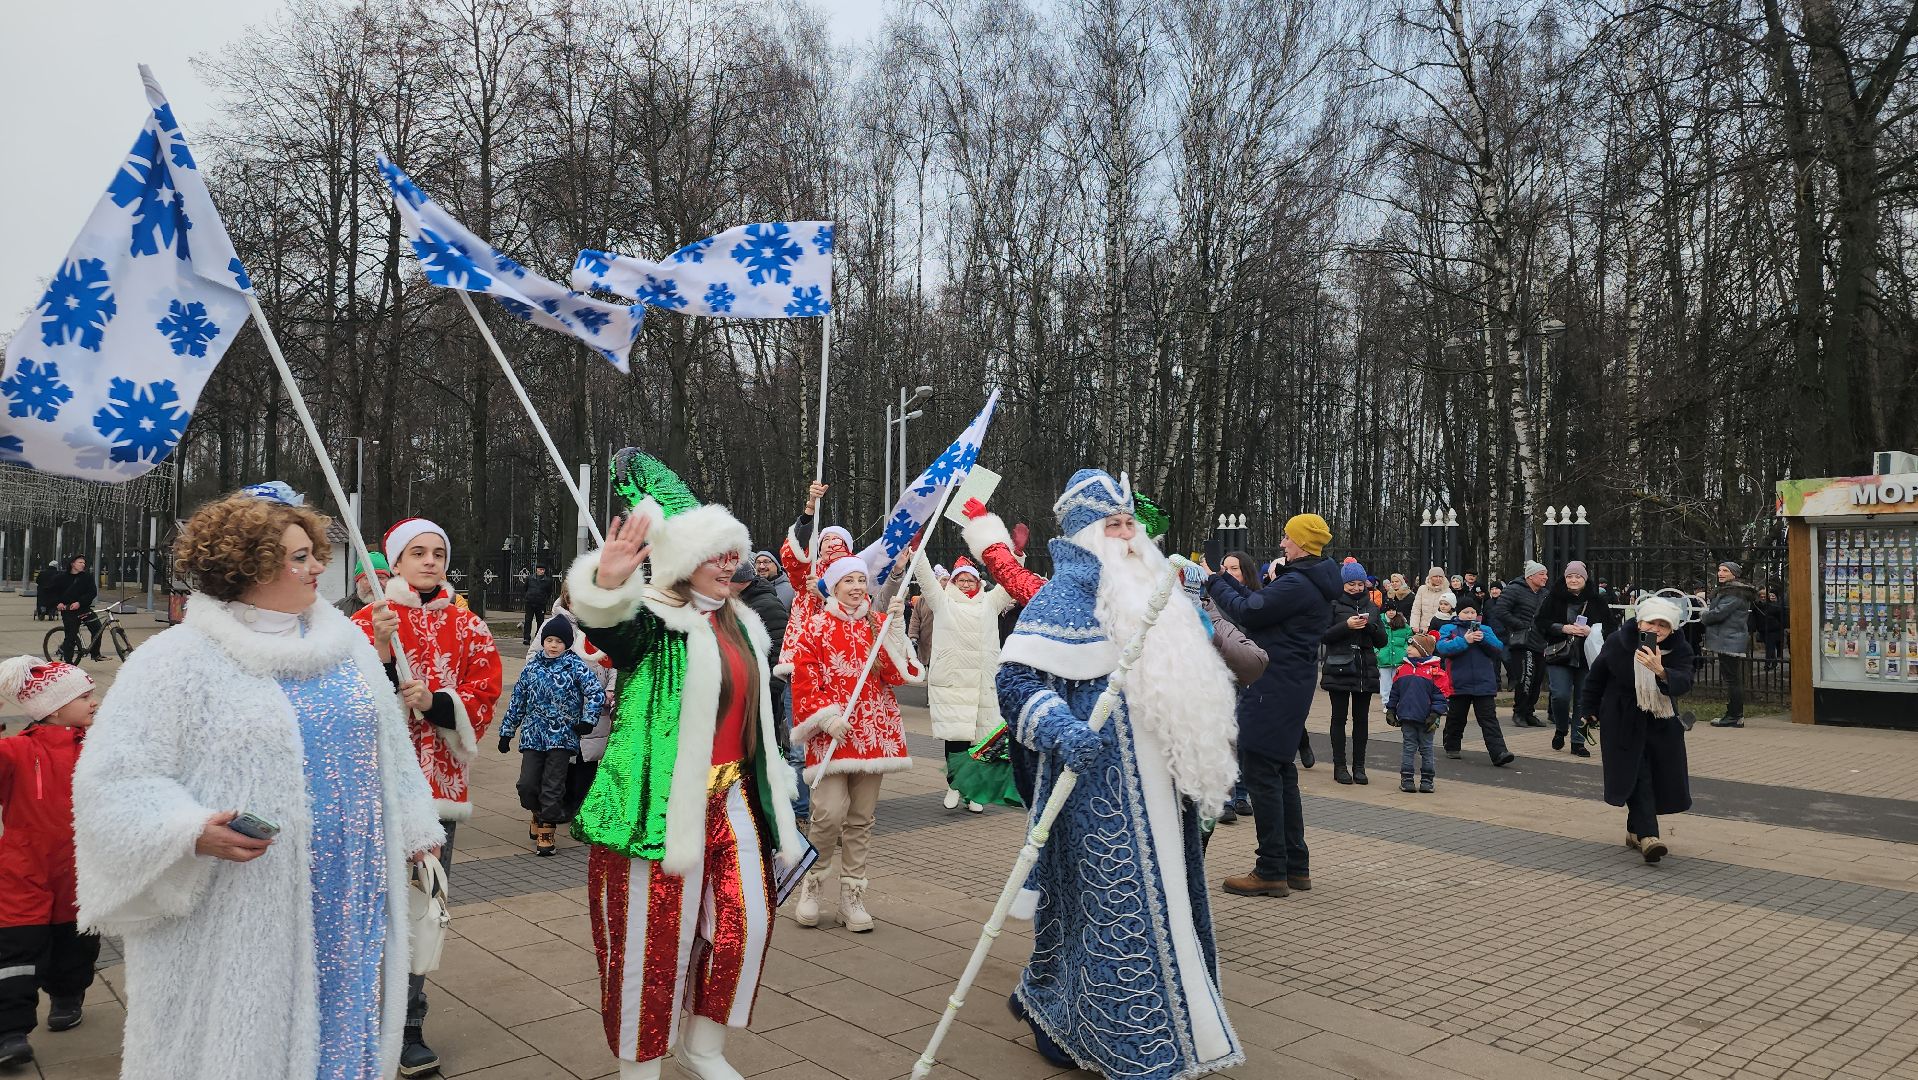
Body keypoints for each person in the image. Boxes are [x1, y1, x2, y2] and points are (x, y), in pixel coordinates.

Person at [71, 483, 444, 1080]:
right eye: (299, 557)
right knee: (248, 1042)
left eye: (314, 553)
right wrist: (188, 830)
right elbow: (114, 780)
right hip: (242, 898)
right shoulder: (176, 659)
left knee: (345, 1022)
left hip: (352, 884)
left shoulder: (346, 644)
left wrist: (417, 831)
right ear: (246, 567)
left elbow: (390, 748)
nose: (318, 567)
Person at [565, 450, 806, 1080]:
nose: (730, 564)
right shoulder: (654, 621)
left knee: (745, 926)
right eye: (715, 554)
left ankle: (703, 1048)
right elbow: (610, 629)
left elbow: (753, 718)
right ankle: (640, 1066)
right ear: (682, 561)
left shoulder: (744, 623)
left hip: (735, 801)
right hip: (658, 805)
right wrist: (607, 584)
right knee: (649, 944)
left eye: (734, 553)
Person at [996, 469, 1243, 1078]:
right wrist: (1060, 727)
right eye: (1114, 525)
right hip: (1096, 791)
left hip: (1163, 787)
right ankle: (1094, 1025)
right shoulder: (1061, 597)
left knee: (1168, 900)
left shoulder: (1159, 593)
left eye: (1131, 523)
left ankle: (1174, 1019)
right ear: (1085, 534)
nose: (1130, 535)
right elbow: (1015, 680)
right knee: (1108, 909)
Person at [349, 515, 504, 1074]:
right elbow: (346, 699)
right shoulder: (367, 622)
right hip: (372, 786)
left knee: (422, 905)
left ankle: (409, 1023)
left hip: (437, 790)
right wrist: (383, 653)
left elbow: (484, 692)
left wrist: (438, 703)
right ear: (395, 561)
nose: (430, 561)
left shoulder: (468, 625)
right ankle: (357, 1017)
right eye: (418, 552)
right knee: (365, 903)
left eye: (438, 552)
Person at [1207, 513, 1339, 898]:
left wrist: (1213, 582)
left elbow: (1249, 612)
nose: (1282, 543)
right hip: (1289, 683)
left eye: (1287, 537)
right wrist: (1225, 579)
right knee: (1280, 770)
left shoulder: (1298, 583)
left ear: (1302, 542)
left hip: (1274, 684)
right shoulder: (1308, 579)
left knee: (1261, 768)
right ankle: (1295, 865)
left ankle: (1270, 869)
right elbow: (1259, 601)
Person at [0, 657, 99, 1070]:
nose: (94, 702)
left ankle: (67, 995)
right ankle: (10, 1032)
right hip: (23, 870)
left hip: (79, 870)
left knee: (76, 942)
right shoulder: (16, 751)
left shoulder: (97, 748)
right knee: (15, 950)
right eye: (84, 696)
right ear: (55, 709)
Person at [1579, 595, 1696, 863]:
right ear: (1639, 622)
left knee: (1653, 775)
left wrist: (1661, 671)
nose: (1656, 629)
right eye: (1651, 623)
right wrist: (1588, 710)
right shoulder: (1617, 642)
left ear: (1672, 629)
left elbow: (1685, 681)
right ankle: (1649, 837)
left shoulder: (1679, 649)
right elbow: (1596, 678)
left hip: (1661, 720)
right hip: (1622, 719)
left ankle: (1634, 830)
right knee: (1637, 773)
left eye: (1663, 625)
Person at [912, 555, 1014, 813]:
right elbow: (926, 580)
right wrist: (917, 553)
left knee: (980, 742)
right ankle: (954, 784)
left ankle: (974, 792)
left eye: (970, 580)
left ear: (978, 582)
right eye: (961, 580)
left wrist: (1016, 556)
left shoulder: (989, 602)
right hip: (954, 684)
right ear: (953, 582)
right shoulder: (943, 601)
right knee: (956, 740)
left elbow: (1008, 581)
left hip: (981, 683)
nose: (966, 584)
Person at [499, 617, 601, 856]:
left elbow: (595, 692)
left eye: (559, 641)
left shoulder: (575, 666)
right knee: (527, 784)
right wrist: (507, 732)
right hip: (533, 736)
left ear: (567, 644)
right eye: (549, 640)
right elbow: (518, 701)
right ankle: (537, 812)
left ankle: (547, 828)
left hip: (562, 737)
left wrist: (588, 720)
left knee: (553, 785)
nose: (553, 645)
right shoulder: (532, 668)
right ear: (543, 641)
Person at [1535, 560, 1613, 758]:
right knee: (1560, 695)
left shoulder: (1597, 600)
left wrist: (1591, 631)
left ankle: (1578, 742)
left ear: (1585, 579)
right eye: (1570, 576)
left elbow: (1611, 627)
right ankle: (1561, 728)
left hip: (1587, 656)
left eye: (1578, 576)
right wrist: (1562, 628)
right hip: (1559, 654)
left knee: (1582, 700)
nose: (1574, 580)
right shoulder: (1554, 598)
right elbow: (1540, 622)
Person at [1322, 560, 1386, 786]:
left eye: (1360, 584)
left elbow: (1382, 640)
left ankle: (1360, 766)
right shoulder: (1332, 604)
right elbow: (1323, 635)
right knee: (1339, 718)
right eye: (1351, 584)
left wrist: (1369, 626)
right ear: (1343, 584)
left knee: (1362, 720)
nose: (1356, 588)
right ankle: (1340, 766)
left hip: (1365, 668)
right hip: (1339, 665)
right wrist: (1346, 626)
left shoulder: (1373, 607)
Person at [1437, 603, 1515, 766]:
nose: (1470, 615)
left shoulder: (1485, 629)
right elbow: (1443, 648)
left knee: (1488, 719)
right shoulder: (1449, 628)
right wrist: (1464, 640)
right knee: (1456, 717)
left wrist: (1483, 639)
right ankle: (1452, 745)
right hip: (1459, 682)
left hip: (1483, 682)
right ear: (1458, 613)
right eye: (1466, 612)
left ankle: (1499, 752)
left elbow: (1498, 648)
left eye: (1473, 612)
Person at [1386, 633, 1449, 792]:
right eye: (1409, 646)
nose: (1408, 649)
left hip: (1427, 718)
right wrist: (1391, 710)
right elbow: (1395, 693)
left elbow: (1441, 696)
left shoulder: (1435, 672)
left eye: (1413, 646)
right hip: (1407, 717)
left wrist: (1435, 714)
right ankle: (1407, 779)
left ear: (1423, 650)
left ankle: (1427, 780)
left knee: (1426, 749)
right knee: (1408, 747)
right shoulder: (1403, 670)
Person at [1491, 560, 1549, 727]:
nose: (1546, 577)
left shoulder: (1545, 593)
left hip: (1540, 642)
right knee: (1525, 677)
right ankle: (1519, 712)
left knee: (1537, 679)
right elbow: (1500, 611)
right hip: (1522, 642)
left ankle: (1529, 712)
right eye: (1542, 574)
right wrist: (1520, 625)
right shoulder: (1514, 589)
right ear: (1530, 576)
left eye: (1546, 574)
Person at [1703, 561, 1756, 728]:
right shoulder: (1731, 591)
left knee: (1732, 679)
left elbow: (1719, 614)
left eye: (1725, 570)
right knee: (1732, 678)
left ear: (1734, 574)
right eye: (1719, 570)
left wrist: (1704, 615)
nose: (1720, 573)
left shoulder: (1734, 593)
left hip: (1729, 640)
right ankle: (1734, 715)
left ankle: (1734, 715)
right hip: (1728, 639)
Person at [52, 556, 101, 664]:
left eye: (84, 562)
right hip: (68, 610)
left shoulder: (87, 577)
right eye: (80, 562)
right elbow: (53, 592)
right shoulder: (61, 577)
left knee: (97, 627)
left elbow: (92, 592)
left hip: (84, 608)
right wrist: (58, 603)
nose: (83, 564)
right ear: (72, 564)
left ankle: (95, 653)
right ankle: (68, 663)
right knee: (71, 636)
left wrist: (80, 602)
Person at [1408, 566, 1455, 638]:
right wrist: (1414, 626)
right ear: (1430, 577)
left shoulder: (1447, 590)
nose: (1438, 579)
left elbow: (1451, 611)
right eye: (1435, 576)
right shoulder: (1422, 589)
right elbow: (1416, 609)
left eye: (1440, 576)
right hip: (1422, 629)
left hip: (1440, 629)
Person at [1377, 609, 1412, 698]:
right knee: (1384, 682)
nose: (1391, 612)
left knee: (1397, 682)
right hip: (1383, 658)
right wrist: (1377, 652)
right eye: (1388, 610)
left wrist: (1405, 650)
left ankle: (1395, 701)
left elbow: (1409, 639)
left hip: (1399, 658)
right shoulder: (1378, 622)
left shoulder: (1404, 624)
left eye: (1393, 610)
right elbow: (1373, 638)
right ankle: (1386, 702)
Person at [521, 564, 556, 645]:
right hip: (530, 602)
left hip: (540, 603)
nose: (542, 571)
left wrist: (544, 599)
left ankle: (538, 637)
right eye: (540, 569)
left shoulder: (547, 580)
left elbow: (549, 592)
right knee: (528, 620)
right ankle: (526, 638)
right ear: (536, 570)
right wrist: (527, 597)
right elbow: (525, 588)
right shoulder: (530, 578)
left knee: (540, 621)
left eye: (543, 570)